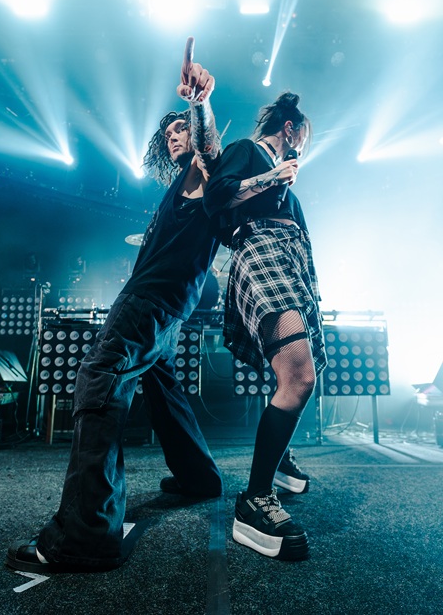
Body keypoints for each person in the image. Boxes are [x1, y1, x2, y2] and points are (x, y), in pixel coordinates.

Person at [6, 37, 223, 573]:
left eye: (181, 130)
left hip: (149, 304)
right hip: (168, 311)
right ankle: (199, 478)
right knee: (163, 387)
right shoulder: (179, 189)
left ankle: (84, 537)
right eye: (169, 133)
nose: (174, 136)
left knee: (98, 379)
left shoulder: (202, 174)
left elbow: (208, 151)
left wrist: (200, 104)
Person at [204, 91, 327, 561]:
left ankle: (277, 459)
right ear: (290, 129)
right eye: (304, 136)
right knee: (299, 376)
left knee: (296, 375)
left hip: (291, 262)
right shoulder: (249, 150)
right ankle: (254, 499)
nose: (304, 146)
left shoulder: (283, 179)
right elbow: (216, 196)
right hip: (261, 252)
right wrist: (273, 175)